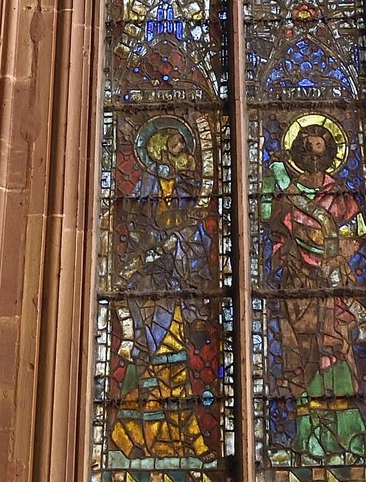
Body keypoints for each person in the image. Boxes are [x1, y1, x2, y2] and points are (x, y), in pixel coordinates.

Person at [260, 114, 366, 468]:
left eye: (320, 152)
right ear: (298, 154)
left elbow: (357, 231)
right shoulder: (288, 192)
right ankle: (306, 437)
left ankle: (349, 434)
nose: (314, 158)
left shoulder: (340, 194)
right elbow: (272, 226)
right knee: (303, 354)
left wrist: (337, 257)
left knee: (338, 350)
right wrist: (270, 189)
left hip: (333, 286)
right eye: (308, 152)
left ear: (329, 156)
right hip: (299, 289)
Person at [107, 116, 216, 469]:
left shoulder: (184, 189)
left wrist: (180, 242)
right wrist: (155, 243)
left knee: (175, 365)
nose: (180, 151)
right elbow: (135, 223)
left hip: (174, 286)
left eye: (183, 146)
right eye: (174, 144)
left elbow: (196, 235)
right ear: (159, 147)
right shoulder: (147, 185)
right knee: (147, 358)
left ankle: (175, 440)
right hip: (148, 286)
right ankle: (133, 437)